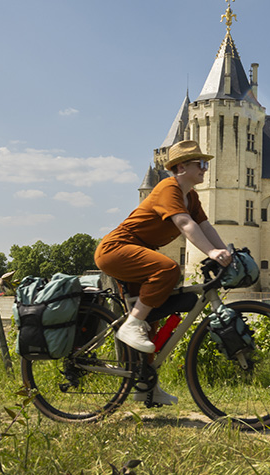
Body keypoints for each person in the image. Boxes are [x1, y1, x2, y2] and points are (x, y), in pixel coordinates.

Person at [94, 140, 232, 405]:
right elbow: (184, 223)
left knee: (152, 320)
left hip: (139, 252)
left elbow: (205, 226)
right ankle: (131, 325)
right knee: (168, 269)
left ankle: (146, 387)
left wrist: (225, 252)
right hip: (117, 248)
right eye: (200, 163)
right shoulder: (169, 188)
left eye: (205, 163)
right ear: (180, 167)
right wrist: (212, 253)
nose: (205, 168)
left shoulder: (191, 197)